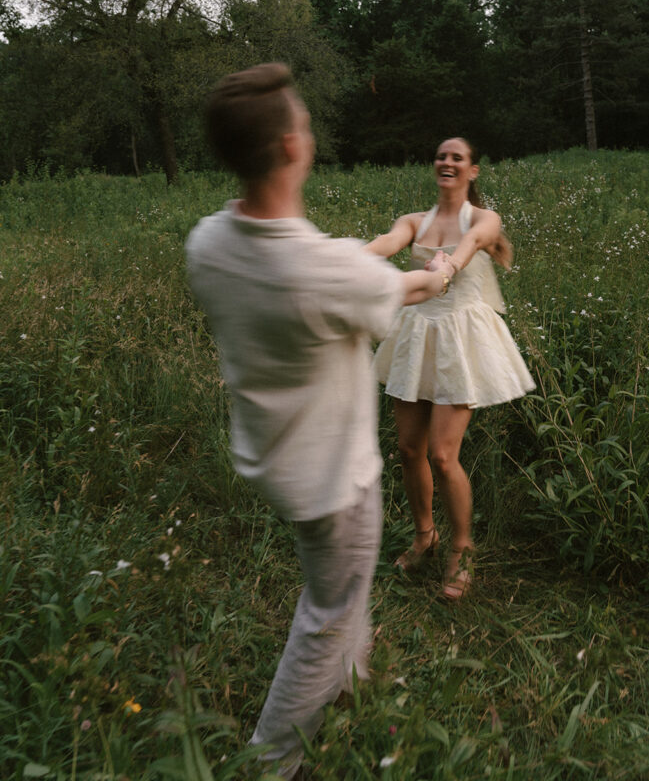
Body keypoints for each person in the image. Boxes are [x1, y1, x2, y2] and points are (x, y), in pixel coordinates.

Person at [185, 64, 455, 780]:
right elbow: (409, 285)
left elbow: (335, 276)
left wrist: (387, 248)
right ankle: (271, 762)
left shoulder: (208, 243)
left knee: (342, 586)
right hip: (334, 479)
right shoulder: (321, 270)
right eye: (303, 124)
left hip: (276, 461)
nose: (309, 133)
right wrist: (444, 264)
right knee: (327, 609)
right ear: (289, 149)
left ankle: (353, 685)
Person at [366, 137, 535, 600]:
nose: (447, 161)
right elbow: (386, 243)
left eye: (457, 157)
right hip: (417, 334)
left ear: (472, 170)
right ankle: (425, 536)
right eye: (441, 155)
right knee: (407, 448)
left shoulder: (483, 219)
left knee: (442, 455)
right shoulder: (414, 221)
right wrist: (344, 262)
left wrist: (447, 268)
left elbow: (472, 245)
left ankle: (461, 550)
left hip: (461, 338)